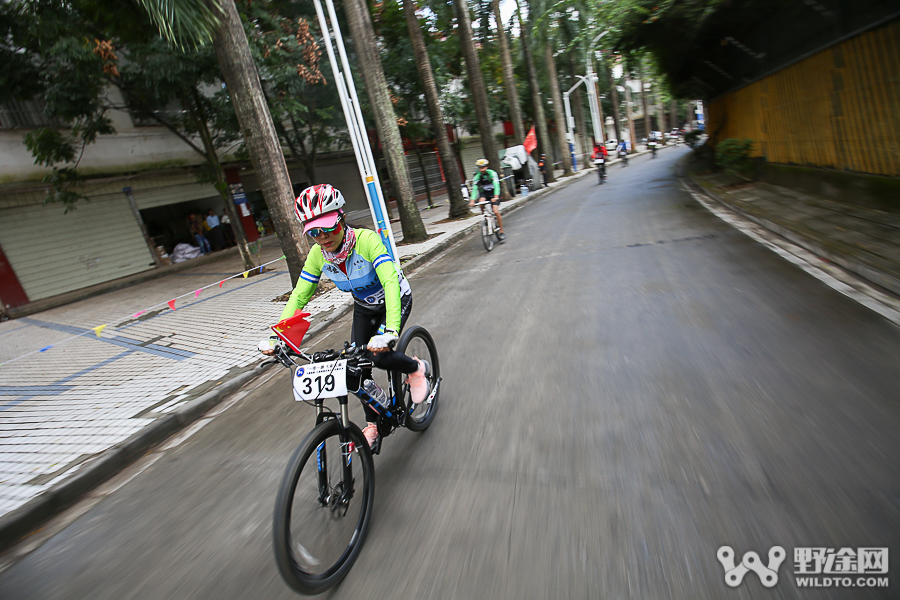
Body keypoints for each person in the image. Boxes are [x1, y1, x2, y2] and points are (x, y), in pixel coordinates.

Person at [259, 184, 429, 451]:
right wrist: (277, 336)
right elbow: (299, 296)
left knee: (380, 356)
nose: (322, 237)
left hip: (394, 299)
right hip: (364, 306)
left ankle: (415, 369)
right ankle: (372, 424)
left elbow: (389, 282)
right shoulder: (318, 256)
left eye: (328, 228)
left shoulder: (367, 241)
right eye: (314, 232)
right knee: (356, 367)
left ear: (342, 217)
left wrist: (391, 329)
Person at [468, 158, 505, 240]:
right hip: (484, 193)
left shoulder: (492, 173)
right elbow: (474, 189)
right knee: (481, 202)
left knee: (495, 211)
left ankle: (501, 231)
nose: (482, 169)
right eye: (480, 167)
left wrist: (496, 196)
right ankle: (485, 216)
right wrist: (472, 201)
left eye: (483, 167)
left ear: (486, 166)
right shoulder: (477, 176)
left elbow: (496, 185)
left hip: (493, 193)